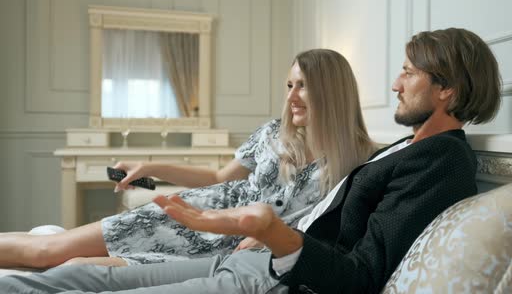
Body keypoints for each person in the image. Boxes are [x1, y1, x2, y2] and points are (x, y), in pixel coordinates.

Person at [0, 27, 502, 294]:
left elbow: (362, 272)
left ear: (447, 89)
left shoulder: (437, 161)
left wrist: (266, 229)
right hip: (243, 248)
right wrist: (251, 229)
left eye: (408, 73)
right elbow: (316, 214)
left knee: (82, 271)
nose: (394, 83)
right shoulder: (404, 148)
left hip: (263, 263)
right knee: (74, 273)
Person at [0, 49, 375, 269]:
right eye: (289, 85)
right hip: (193, 214)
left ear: (331, 90)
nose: (292, 96)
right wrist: (151, 168)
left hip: (227, 248)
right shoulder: (273, 133)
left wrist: (267, 239)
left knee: (77, 266)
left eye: (303, 85)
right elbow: (217, 175)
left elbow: (322, 231)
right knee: (49, 250)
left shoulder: (360, 161)